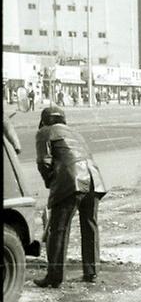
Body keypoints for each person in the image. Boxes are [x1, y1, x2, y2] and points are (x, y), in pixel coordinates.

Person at [33, 107, 107, 288]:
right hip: (94, 179)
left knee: (58, 229)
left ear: (44, 121)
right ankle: (92, 273)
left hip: (71, 181)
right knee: (90, 226)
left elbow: (44, 162)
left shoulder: (45, 132)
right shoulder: (75, 133)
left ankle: (54, 276)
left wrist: (51, 182)